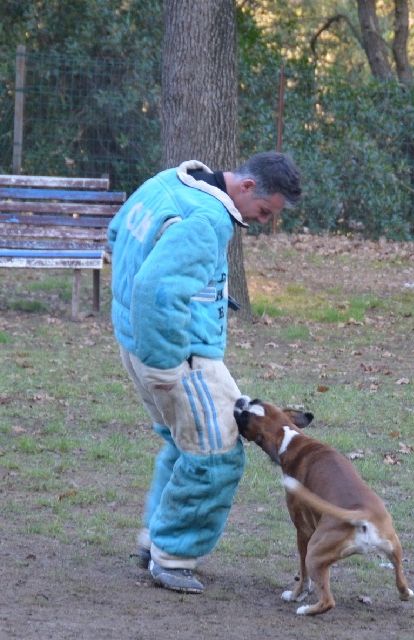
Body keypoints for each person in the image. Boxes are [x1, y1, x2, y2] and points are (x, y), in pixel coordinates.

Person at [107, 152, 302, 593]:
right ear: (247, 187)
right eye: (266, 211)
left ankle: (155, 541)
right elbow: (157, 287)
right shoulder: (209, 218)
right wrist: (164, 364)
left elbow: (117, 232)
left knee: (183, 443)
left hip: (135, 341)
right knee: (217, 453)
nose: (264, 221)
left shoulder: (167, 184)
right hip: (181, 356)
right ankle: (172, 557)